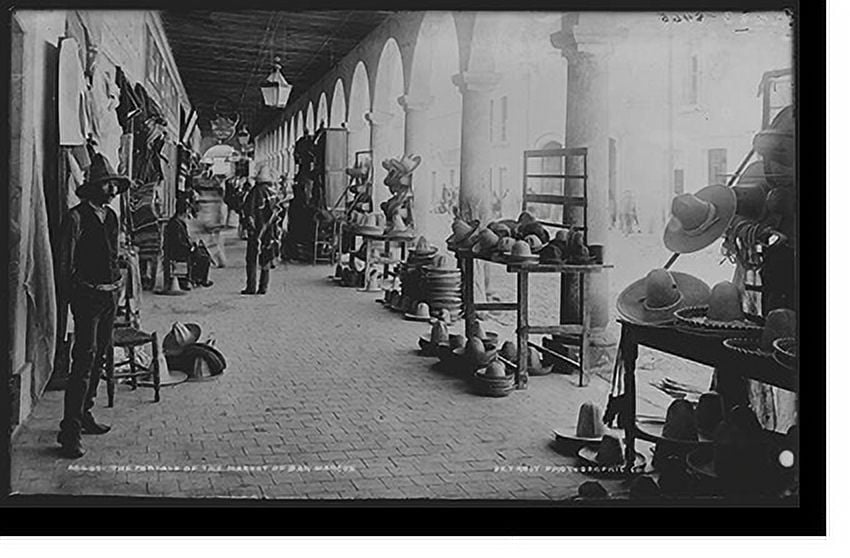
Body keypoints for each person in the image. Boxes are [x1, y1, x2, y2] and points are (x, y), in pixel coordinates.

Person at [56, 153, 129, 458]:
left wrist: (119, 282)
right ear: (94, 188)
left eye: (114, 185)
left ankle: (85, 415)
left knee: (100, 356)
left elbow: (112, 254)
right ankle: (69, 431)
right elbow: (65, 264)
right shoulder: (75, 218)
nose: (113, 191)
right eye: (107, 185)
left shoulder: (110, 217)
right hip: (87, 299)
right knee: (83, 363)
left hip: (109, 296)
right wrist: (74, 296)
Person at [241, 165, 280, 294]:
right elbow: (279, 211)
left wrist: (250, 227)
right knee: (266, 258)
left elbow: (249, 212)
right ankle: (263, 287)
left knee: (251, 259)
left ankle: (251, 287)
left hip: (257, 231)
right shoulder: (272, 192)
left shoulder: (255, 191)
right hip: (270, 231)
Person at [164, 193, 214, 288]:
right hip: (177, 251)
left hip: (180, 248)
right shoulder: (175, 224)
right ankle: (197, 279)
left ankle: (198, 279)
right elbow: (178, 243)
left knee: (202, 252)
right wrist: (191, 247)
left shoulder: (177, 222)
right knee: (203, 256)